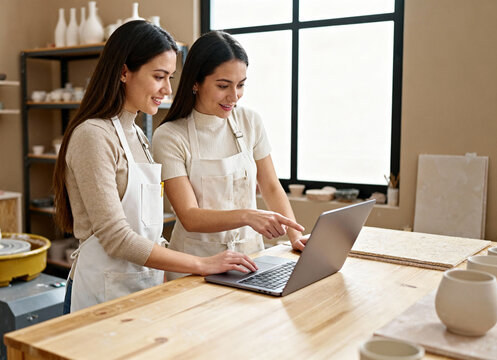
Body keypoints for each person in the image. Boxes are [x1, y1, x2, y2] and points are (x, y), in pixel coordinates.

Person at [53, 21, 257, 314]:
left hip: (142, 287)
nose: (168, 89)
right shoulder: (93, 135)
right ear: (124, 72)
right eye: (159, 76)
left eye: (171, 77)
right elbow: (117, 238)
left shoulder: (137, 135)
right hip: (101, 291)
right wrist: (201, 263)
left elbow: (147, 231)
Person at [152, 31, 307, 281]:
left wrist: (295, 237)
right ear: (196, 82)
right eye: (223, 86)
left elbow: (270, 185)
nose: (234, 96)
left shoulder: (250, 121)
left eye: (241, 84)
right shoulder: (169, 136)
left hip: (251, 258)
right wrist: (248, 216)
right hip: (195, 267)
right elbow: (189, 216)